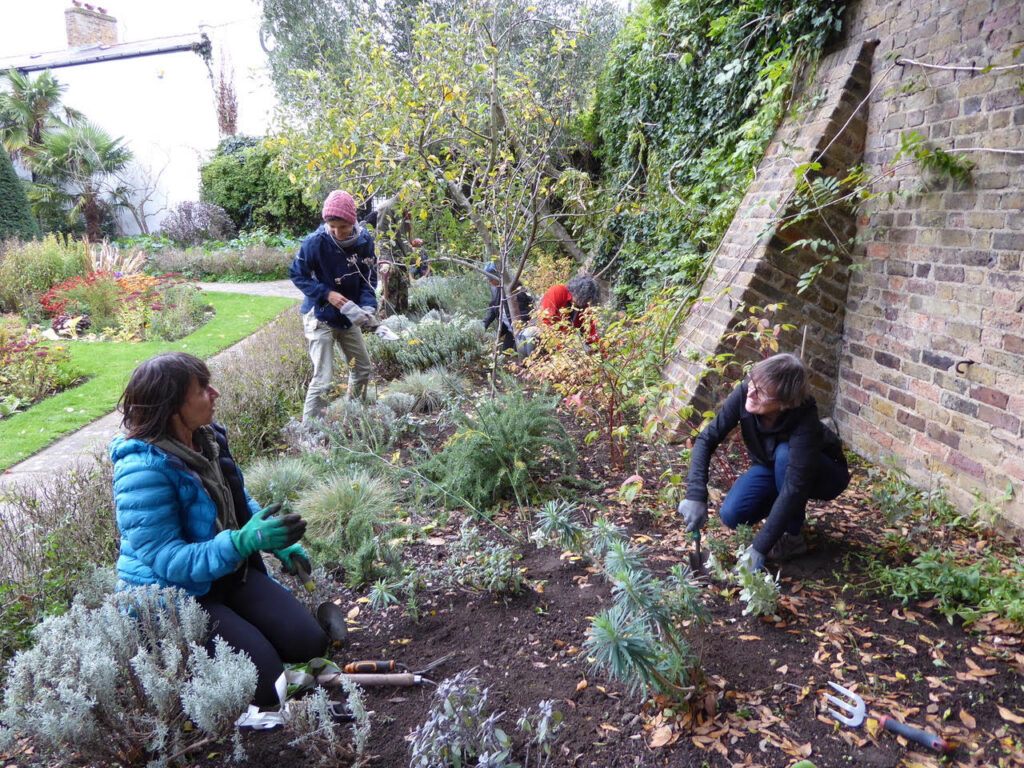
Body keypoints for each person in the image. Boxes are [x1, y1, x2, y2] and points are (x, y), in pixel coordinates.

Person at [110, 352, 328, 708]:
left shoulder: (206, 439)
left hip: (224, 572)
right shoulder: (143, 469)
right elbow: (167, 560)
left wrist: (272, 537)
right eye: (202, 389)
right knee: (267, 682)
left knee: (309, 643)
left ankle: (246, 635)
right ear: (173, 405)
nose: (215, 394)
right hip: (175, 596)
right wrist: (243, 541)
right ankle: (179, 668)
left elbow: (235, 498)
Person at [677, 353, 850, 571]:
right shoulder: (745, 392)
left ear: (785, 404)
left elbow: (795, 486)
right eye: (752, 382)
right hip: (774, 467)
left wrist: (759, 547)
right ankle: (781, 514)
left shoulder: (804, 419)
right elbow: (706, 439)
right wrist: (695, 495)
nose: (751, 392)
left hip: (823, 474)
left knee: (785, 456)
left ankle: (792, 536)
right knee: (732, 515)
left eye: (762, 392)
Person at [290, 190, 378, 419]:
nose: (338, 233)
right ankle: (309, 433)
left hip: (348, 315)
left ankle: (353, 415)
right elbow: (297, 275)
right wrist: (326, 293)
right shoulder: (315, 243)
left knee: (361, 368)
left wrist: (367, 308)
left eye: (343, 227)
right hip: (320, 315)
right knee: (323, 379)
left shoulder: (365, 242)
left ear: (353, 221)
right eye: (332, 227)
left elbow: (368, 278)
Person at [482, 262, 533, 352]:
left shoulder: (514, 287)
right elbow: (493, 309)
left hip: (522, 329)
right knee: (506, 353)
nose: (489, 282)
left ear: (498, 276)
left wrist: (520, 330)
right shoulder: (495, 288)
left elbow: (525, 312)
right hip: (510, 329)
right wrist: (481, 327)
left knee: (518, 353)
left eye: (490, 279)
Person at [538, 274, 601, 347]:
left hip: (562, 342)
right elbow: (545, 322)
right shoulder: (558, 291)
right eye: (586, 299)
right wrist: (562, 349)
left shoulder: (584, 307)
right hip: (538, 334)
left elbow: (591, 333)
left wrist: (603, 354)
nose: (586, 303)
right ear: (579, 293)